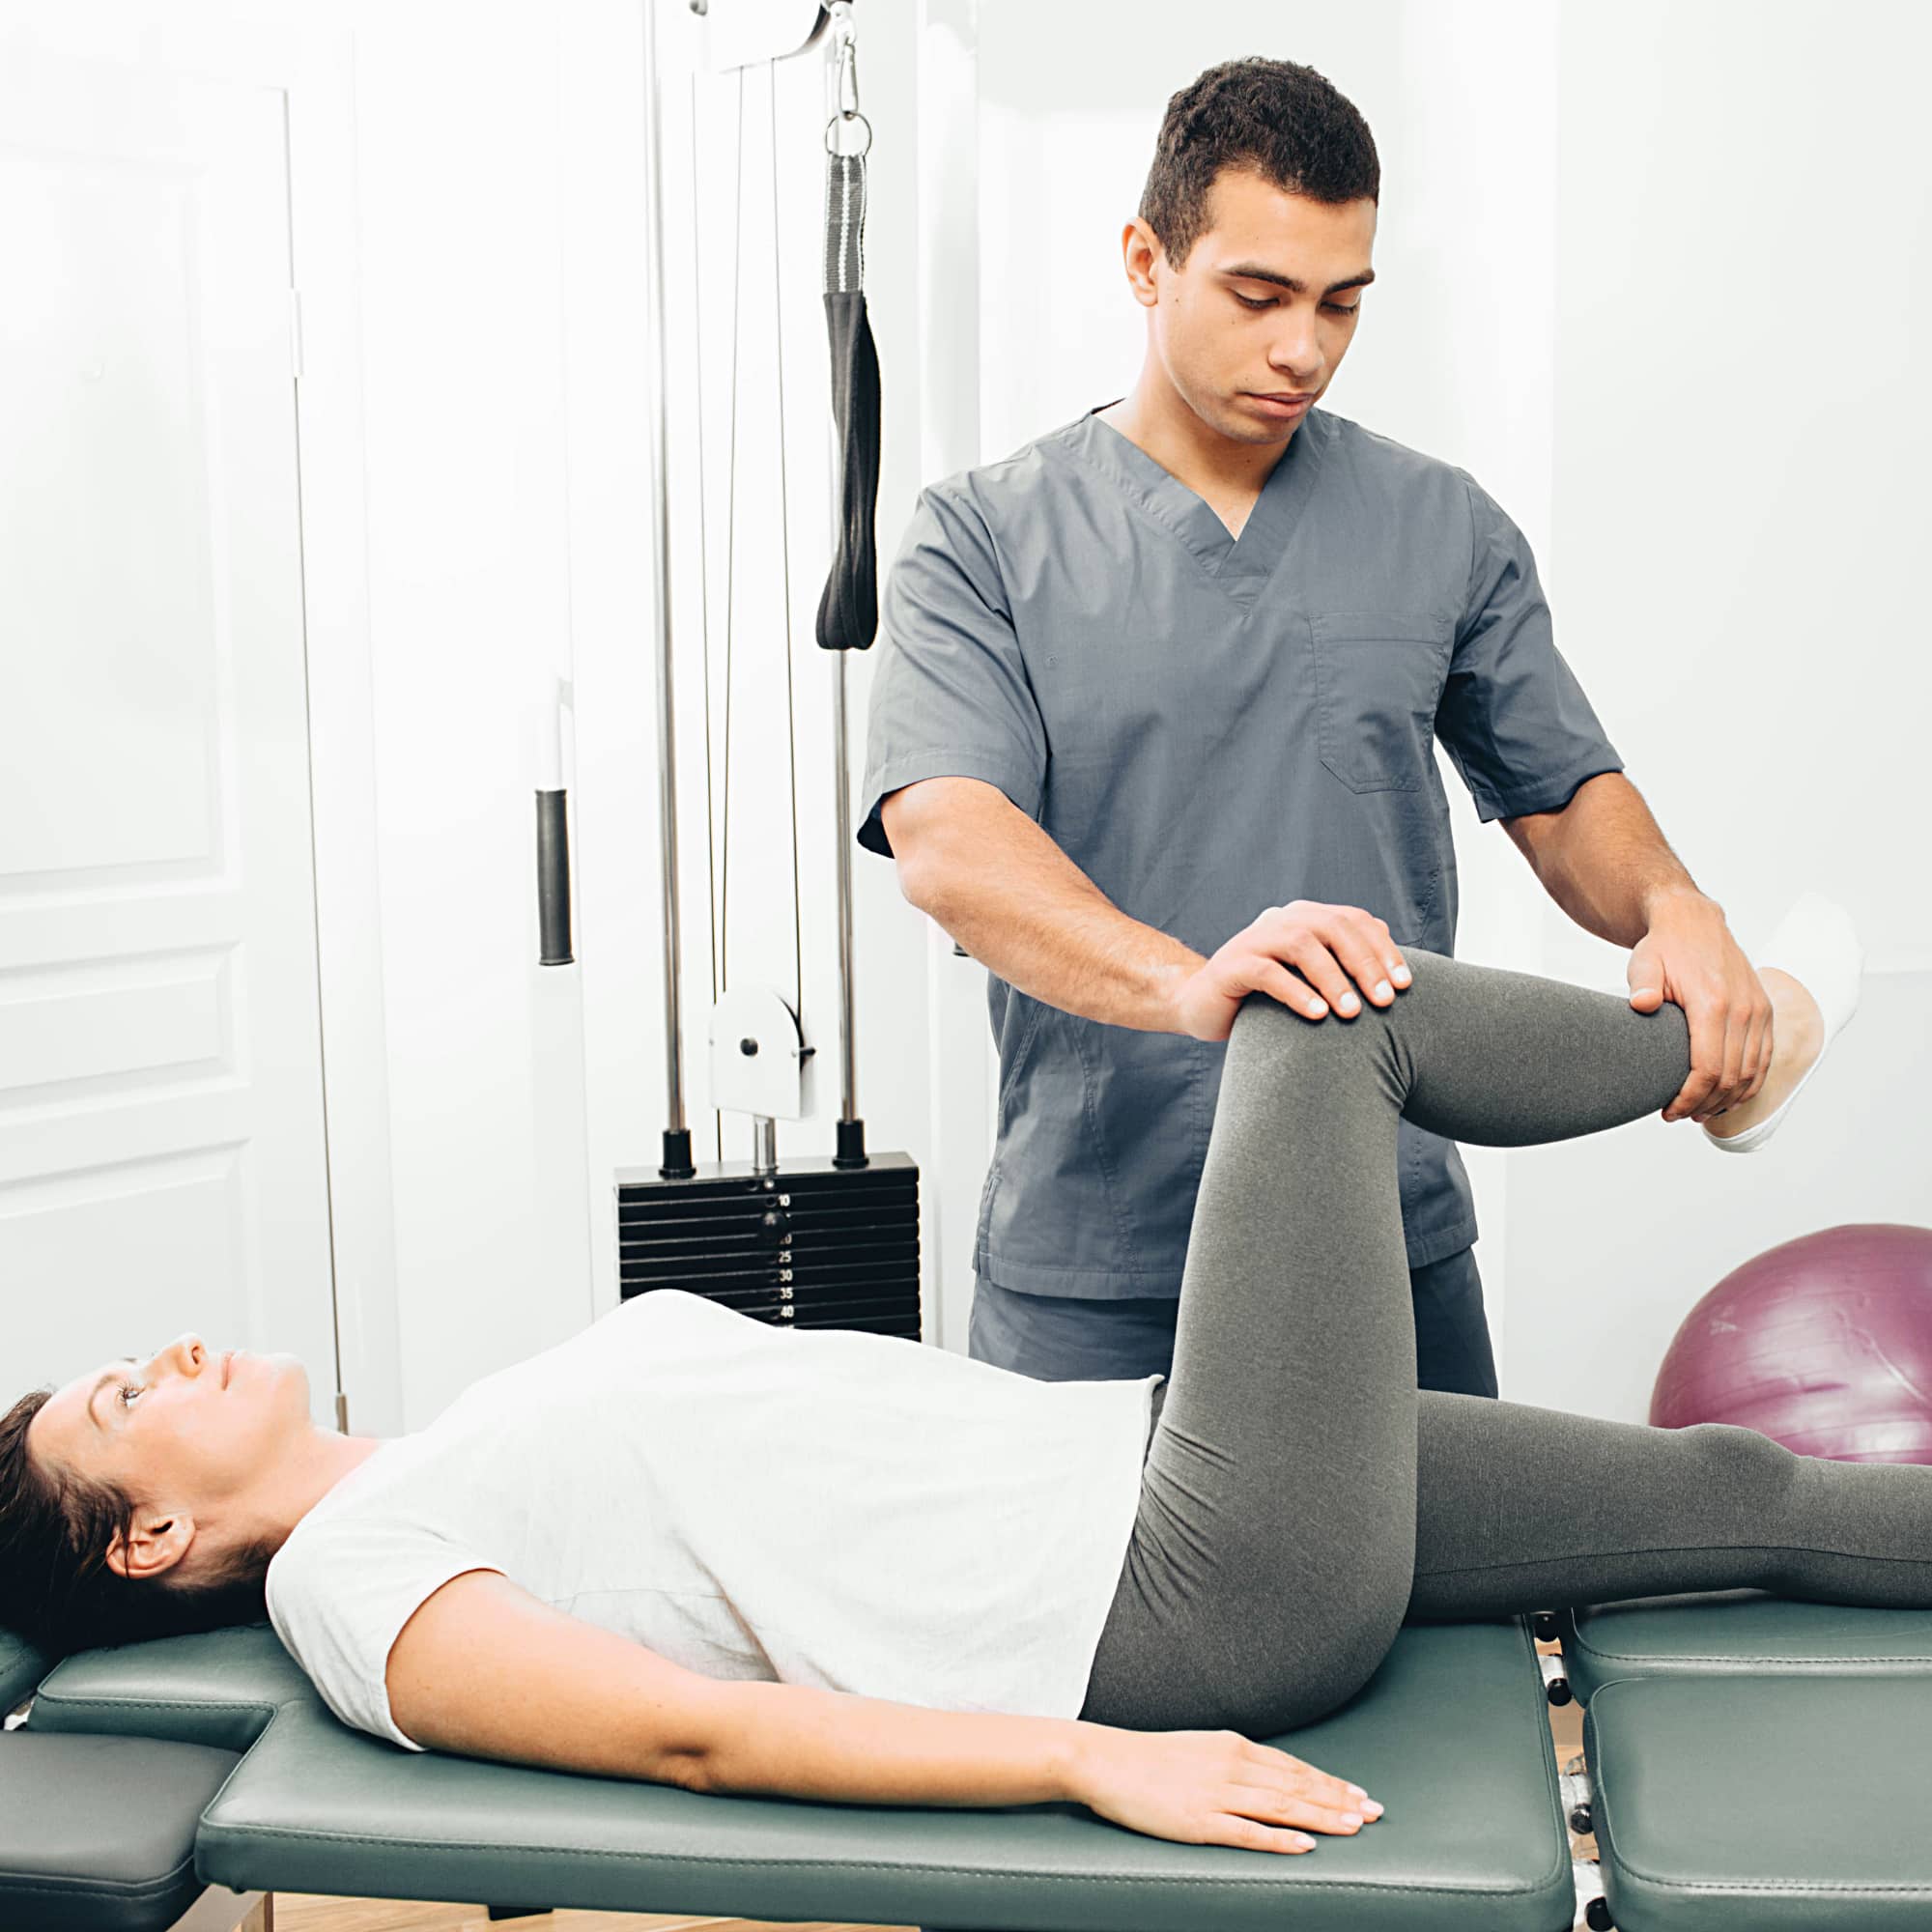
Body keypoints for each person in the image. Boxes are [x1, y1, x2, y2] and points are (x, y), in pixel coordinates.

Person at [0, 894, 1897, 1862]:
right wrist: (1087, 1758)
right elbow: (691, 1734)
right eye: (120, 1402)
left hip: (1169, 1471)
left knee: (1743, 1493)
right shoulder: (354, 1583)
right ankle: (1740, 1051)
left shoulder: (439, 1447)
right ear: (148, 1536)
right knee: (1322, 1018)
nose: (164, 1356)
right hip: (1178, 1585)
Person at [857, 54, 1785, 1412]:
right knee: (1091, 1566)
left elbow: (1560, 790)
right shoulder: (983, 537)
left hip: (1384, 1237)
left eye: (1341, 302)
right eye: (1260, 296)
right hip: (1103, 1258)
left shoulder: (1440, 526)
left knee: (1451, 1564)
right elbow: (948, 841)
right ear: (1146, 262)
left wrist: (1674, 902)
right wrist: (1190, 988)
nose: (1304, 348)